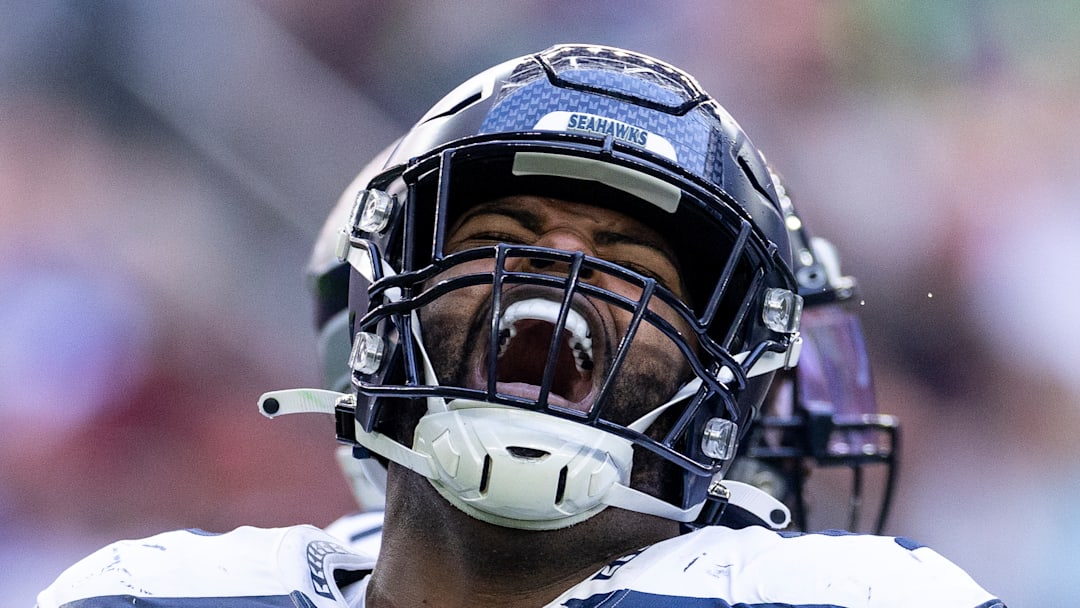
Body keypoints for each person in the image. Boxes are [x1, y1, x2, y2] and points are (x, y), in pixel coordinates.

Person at [38, 44, 1005, 608]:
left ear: (726, 371)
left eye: (636, 269)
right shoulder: (149, 594)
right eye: (502, 232)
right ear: (382, 308)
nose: (559, 271)